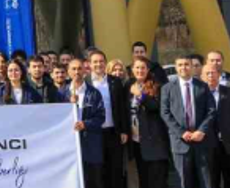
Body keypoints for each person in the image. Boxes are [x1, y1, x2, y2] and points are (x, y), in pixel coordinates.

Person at [161, 56, 217, 188]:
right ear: (176, 68)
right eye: (180, 65)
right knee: (184, 181)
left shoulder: (202, 86)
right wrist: (181, 132)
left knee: (205, 181)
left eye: (186, 64)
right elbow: (165, 113)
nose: (183, 67)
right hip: (180, 142)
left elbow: (211, 110)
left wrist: (201, 130)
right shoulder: (167, 88)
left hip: (201, 141)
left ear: (192, 67)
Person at [88, 50, 131, 188]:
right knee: (98, 171)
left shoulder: (115, 81)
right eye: (95, 62)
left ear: (105, 63)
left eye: (101, 61)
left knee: (115, 170)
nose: (98, 64)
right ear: (89, 64)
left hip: (113, 132)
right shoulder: (85, 82)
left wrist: (124, 130)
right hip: (93, 134)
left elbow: (122, 107)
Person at [127, 57, 170, 188]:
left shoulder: (157, 86)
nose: (140, 70)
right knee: (143, 180)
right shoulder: (128, 86)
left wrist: (140, 95)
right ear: (132, 69)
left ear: (148, 70)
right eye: (137, 67)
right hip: (137, 141)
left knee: (157, 182)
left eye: (143, 68)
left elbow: (155, 107)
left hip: (155, 142)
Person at [68, 59, 106, 188]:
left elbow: (101, 117)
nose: (76, 72)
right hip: (70, 145)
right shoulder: (62, 93)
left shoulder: (94, 93)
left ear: (85, 71)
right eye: (73, 69)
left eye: (79, 68)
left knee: (94, 180)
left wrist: (85, 124)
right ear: (68, 71)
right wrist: (68, 104)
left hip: (91, 144)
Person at [205, 65, 230, 188]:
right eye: (207, 73)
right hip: (207, 144)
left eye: (213, 72)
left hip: (229, 143)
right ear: (202, 76)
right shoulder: (198, 93)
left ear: (219, 75)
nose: (210, 75)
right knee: (212, 181)